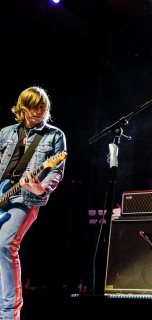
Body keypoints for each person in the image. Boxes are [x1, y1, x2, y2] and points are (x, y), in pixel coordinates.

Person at [0, 86, 67, 319]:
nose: (38, 111)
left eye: (42, 107)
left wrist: (40, 188)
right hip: (2, 195)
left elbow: (56, 171)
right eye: (33, 107)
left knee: (5, 245)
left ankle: (9, 313)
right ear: (22, 108)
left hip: (26, 197)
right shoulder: (5, 133)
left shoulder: (54, 135)